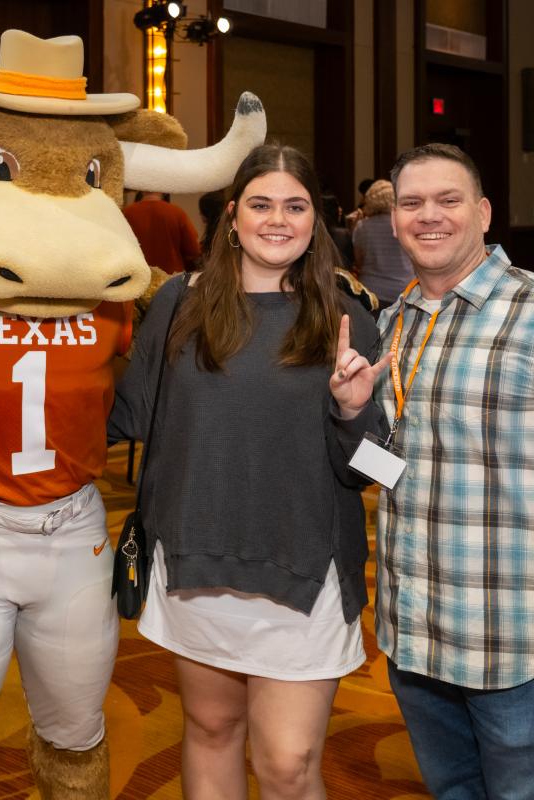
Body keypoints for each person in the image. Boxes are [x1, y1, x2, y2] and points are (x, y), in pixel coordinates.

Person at [109, 144, 382, 800]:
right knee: (209, 726)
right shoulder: (179, 303)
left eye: (295, 206)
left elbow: (380, 469)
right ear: (233, 215)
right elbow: (123, 417)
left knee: (287, 764)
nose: (277, 220)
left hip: (302, 570)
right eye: (261, 204)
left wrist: (352, 413)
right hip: (198, 568)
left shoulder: (350, 317)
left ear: (317, 220)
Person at [330, 143, 534, 799]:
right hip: (416, 635)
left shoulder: (530, 313)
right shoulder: (392, 326)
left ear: (483, 213)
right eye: (412, 203)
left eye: (448, 201)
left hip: (513, 640)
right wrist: (351, 415)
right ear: (392, 222)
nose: (429, 216)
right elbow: (381, 464)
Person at [352, 179, 414, 310]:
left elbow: (358, 261)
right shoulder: (406, 225)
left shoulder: (362, 227)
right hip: (405, 290)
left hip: (371, 292)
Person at [123, 190, 201, 273]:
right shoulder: (177, 213)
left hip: (137, 275)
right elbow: (193, 250)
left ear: (141, 189)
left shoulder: (126, 213)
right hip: (171, 277)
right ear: (163, 189)